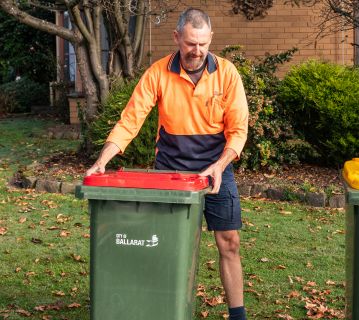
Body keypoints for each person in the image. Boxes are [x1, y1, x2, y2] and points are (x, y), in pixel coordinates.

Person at [85, 8, 249, 320]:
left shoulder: (227, 74)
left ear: (211, 39)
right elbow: (130, 120)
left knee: (229, 242)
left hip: (216, 168)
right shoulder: (158, 73)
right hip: (171, 170)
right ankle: (160, 306)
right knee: (163, 242)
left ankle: (238, 316)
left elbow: (238, 131)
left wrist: (220, 164)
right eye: (190, 43)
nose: (196, 51)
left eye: (202, 43)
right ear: (177, 38)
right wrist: (102, 160)